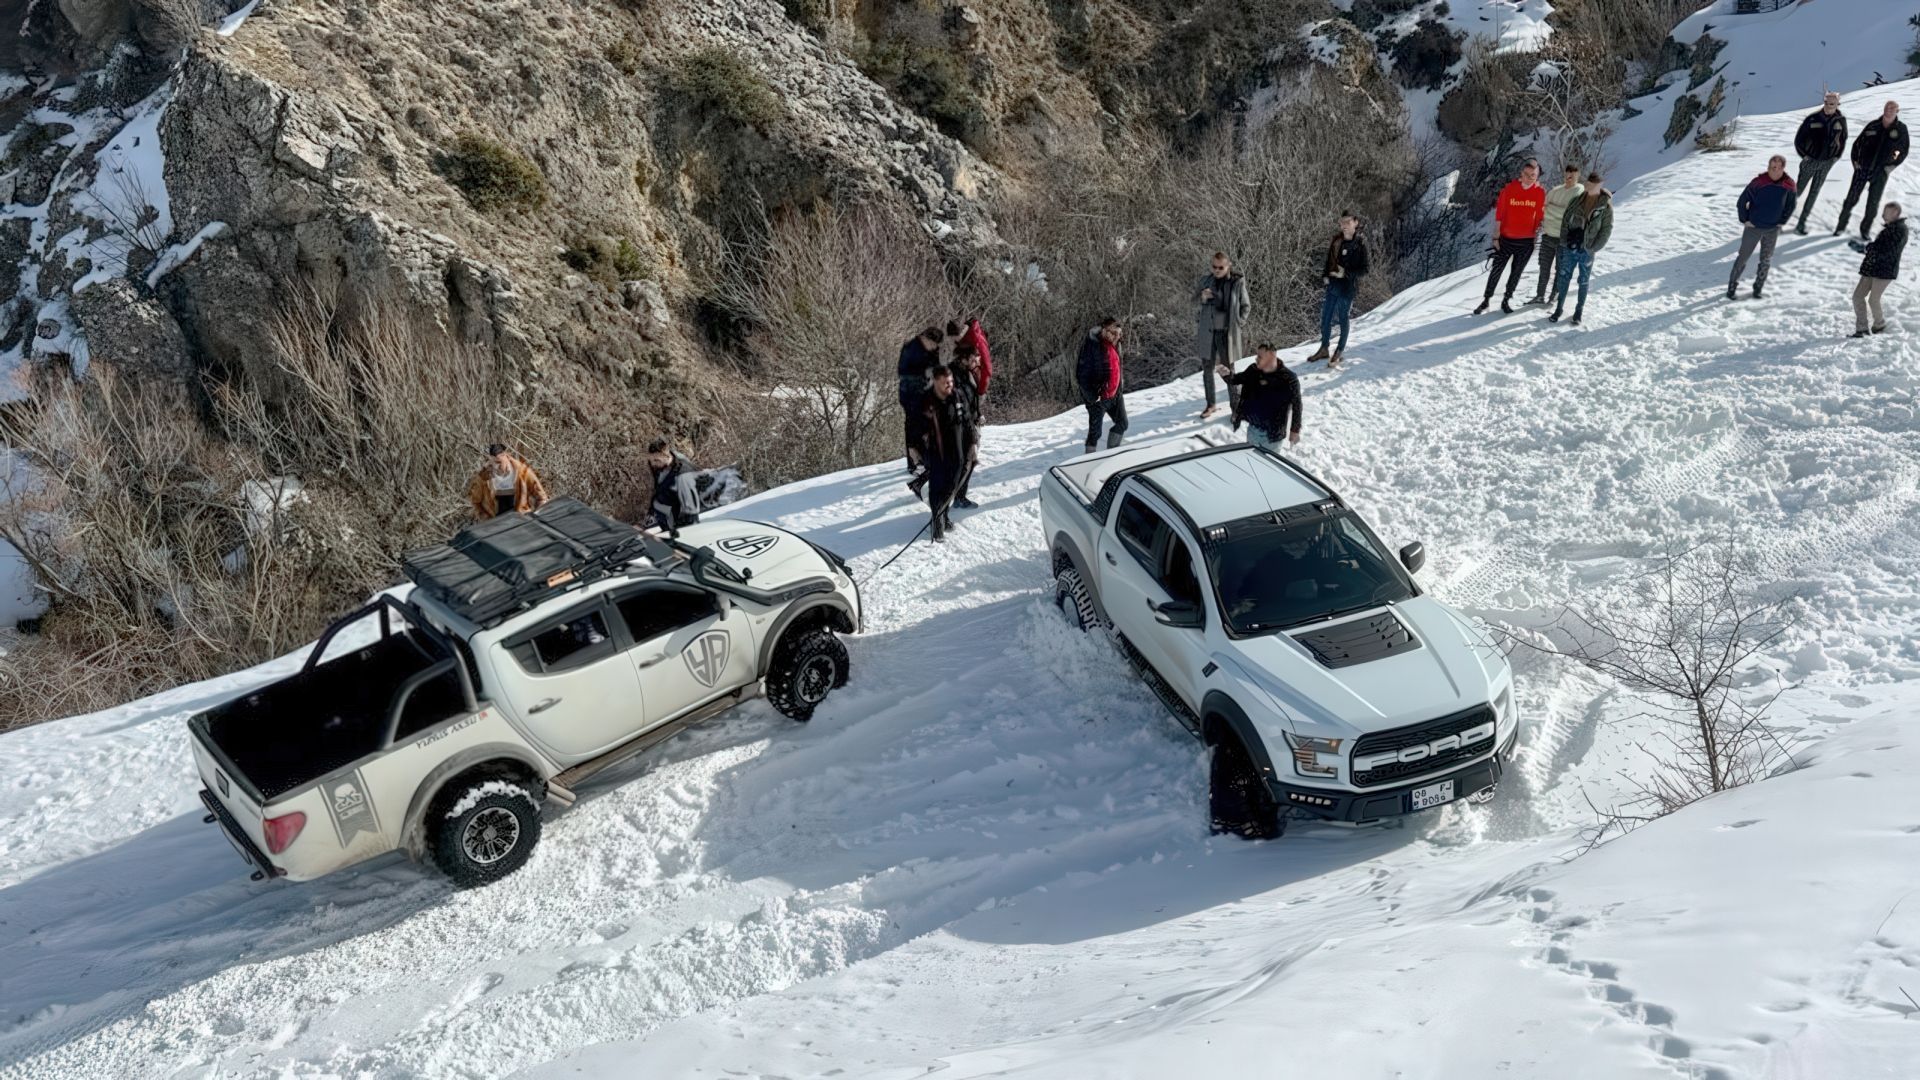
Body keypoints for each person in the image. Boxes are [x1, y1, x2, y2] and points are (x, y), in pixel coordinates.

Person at [909, 365, 978, 542]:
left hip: (958, 450)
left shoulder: (958, 396)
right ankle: (937, 525)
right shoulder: (926, 400)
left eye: (951, 381)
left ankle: (943, 515)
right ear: (935, 382)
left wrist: (973, 444)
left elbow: (968, 421)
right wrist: (913, 448)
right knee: (938, 488)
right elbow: (913, 425)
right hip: (935, 452)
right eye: (945, 382)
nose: (950, 385)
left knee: (951, 487)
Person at [1475, 160, 1546, 315]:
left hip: (1526, 242)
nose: (1529, 178)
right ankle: (1486, 300)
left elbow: (1540, 216)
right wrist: (1496, 236)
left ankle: (1506, 300)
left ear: (1537, 176)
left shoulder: (1539, 192)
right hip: (1506, 239)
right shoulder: (1509, 189)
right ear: (1521, 173)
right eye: (1526, 174)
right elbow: (1500, 213)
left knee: (1516, 273)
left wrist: (1535, 236)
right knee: (1496, 270)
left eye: (1533, 176)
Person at [1836, 101, 1909, 241]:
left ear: (1897, 111)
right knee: (1851, 199)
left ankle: (1865, 231)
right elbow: (1857, 144)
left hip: (1880, 172)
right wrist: (1855, 162)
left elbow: (1903, 151)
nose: (1889, 110)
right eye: (1887, 107)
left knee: (1873, 204)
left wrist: (1889, 167)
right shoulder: (1873, 125)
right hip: (1862, 169)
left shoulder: (1900, 129)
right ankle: (1840, 227)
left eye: (1892, 108)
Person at [1548, 172, 1612, 327]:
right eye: (1588, 182)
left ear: (1599, 185)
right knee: (1564, 277)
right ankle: (1559, 308)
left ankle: (1578, 311)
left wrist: (1594, 248)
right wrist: (1564, 241)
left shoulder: (1605, 207)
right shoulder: (1576, 200)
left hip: (1587, 250)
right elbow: (1565, 220)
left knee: (1583, 280)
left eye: (1592, 183)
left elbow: (1606, 229)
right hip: (1570, 246)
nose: (1587, 185)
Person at [1729, 155, 1797, 301]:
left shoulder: (1789, 184)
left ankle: (1758, 288)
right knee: (1742, 258)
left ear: (1783, 168)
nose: (1775, 170)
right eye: (1772, 167)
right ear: (1768, 167)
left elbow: (1791, 205)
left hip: (1772, 229)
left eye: (1778, 167)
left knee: (1765, 260)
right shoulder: (1758, 182)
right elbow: (1742, 201)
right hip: (1753, 228)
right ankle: (1732, 287)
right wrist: (1745, 219)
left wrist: (1782, 221)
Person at [1192, 252, 1250, 419]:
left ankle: (1236, 407)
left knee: (1228, 370)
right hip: (1207, 332)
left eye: (1220, 267)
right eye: (1214, 267)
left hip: (1225, 333)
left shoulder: (1236, 282)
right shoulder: (1205, 281)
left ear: (1228, 266)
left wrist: (1238, 323)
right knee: (1207, 369)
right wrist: (1202, 297)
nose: (1217, 270)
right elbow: (1193, 301)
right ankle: (1210, 404)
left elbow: (1246, 306)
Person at [1215, 344, 1302, 451]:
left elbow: (1297, 405)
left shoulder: (1289, 378)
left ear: (1271, 356)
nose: (1256, 359)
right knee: (1250, 459)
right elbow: (1236, 379)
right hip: (1253, 430)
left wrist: (1295, 430)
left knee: (1267, 462)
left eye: (1260, 357)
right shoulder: (1253, 370)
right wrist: (1226, 374)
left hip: (1272, 437)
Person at [1310, 212, 1368, 367]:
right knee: (1326, 318)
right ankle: (1324, 348)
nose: (1344, 226)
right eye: (1342, 222)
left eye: (1347, 222)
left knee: (1343, 318)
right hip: (1333, 285)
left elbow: (1364, 269)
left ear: (1355, 222)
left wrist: (1346, 273)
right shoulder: (1337, 241)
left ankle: (1339, 350)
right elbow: (1329, 261)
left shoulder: (1360, 244)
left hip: (1348, 287)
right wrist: (1325, 275)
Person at [1793, 91, 1848, 235]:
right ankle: (1780, 217)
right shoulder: (1812, 119)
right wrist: (1805, 156)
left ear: (1837, 104)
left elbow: (1843, 140)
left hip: (1826, 164)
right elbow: (1799, 140)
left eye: (1831, 103)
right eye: (1826, 102)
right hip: (1810, 162)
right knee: (1797, 191)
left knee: (1814, 193)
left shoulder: (1841, 121)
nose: (1828, 106)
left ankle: (1801, 223)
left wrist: (1836, 157)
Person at [1848, 202, 1906, 338]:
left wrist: (1868, 248)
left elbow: (1889, 250)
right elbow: (1879, 247)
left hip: (1885, 271)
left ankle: (1879, 324)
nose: (1884, 214)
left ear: (1896, 213)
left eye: (1887, 212)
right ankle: (1862, 329)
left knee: (1873, 299)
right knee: (1857, 297)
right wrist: (1865, 248)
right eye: (1884, 211)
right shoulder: (1888, 229)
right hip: (1871, 268)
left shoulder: (1900, 230)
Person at [1529, 165, 1583, 305]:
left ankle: (1553, 297)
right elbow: (1543, 209)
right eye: (1567, 174)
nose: (1569, 177)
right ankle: (1539, 296)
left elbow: (1569, 214)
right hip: (1547, 235)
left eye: (1572, 174)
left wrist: (1551, 209)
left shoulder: (1579, 191)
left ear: (1578, 175)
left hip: (1564, 238)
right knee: (1544, 268)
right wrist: (1558, 211)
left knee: (1560, 269)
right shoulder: (1555, 190)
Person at [1075, 318, 1128, 454]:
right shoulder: (1093, 346)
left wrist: (1119, 388)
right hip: (1099, 399)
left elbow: (1116, 369)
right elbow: (1082, 375)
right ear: (1105, 331)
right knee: (1095, 434)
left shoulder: (1115, 345)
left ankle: (1111, 454)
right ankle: (1089, 459)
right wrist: (1093, 397)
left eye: (1119, 333)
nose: (1117, 336)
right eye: (1114, 333)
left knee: (1122, 423)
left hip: (1115, 395)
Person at [898, 326, 944, 474]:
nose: (935, 348)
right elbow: (902, 373)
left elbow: (937, 367)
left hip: (927, 393)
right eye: (934, 344)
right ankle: (913, 462)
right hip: (910, 394)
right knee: (912, 427)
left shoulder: (933, 350)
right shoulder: (910, 348)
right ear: (926, 338)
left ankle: (927, 460)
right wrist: (923, 375)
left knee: (928, 425)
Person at [947, 345, 986, 509]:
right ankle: (958, 497)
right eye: (973, 358)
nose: (977, 361)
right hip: (959, 427)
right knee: (968, 460)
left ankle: (957, 495)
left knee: (967, 461)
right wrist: (972, 432)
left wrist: (978, 414)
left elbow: (971, 399)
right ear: (963, 358)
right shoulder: (953, 376)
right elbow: (960, 407)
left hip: (968, 423)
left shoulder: (966, 372)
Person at [467, 443, 548, 520]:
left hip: (521, 519)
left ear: (506, 456)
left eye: (499, 462)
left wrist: (537, 516)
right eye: (493, 463)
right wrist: (486, 519)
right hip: (497, 522)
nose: (496, 466)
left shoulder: (522, 472)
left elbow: (541, 497)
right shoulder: (483, 477)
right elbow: (475, 502)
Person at [646, 438, 703, 533]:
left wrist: (682, 533)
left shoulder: (683, 475)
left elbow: (691, 512)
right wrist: (651, 512)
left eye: (656, 460)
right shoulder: (659, 464)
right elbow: (658, 488)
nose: (652, 464)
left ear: (666, 456)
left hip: (682, 525)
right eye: (650, 460)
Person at [947, 317, 992, 401]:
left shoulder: (979, 341)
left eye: (954, 338)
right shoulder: (964, 337)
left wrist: (981, 389)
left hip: (977, 372)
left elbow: (988, 367)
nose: (953, 341)